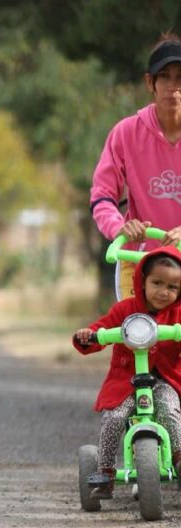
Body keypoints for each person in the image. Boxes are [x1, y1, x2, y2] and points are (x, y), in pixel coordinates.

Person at [73, 247, 181, 498]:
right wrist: (89, 336)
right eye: (157, 283)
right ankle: (105, 473)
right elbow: (102, 328)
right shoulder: (125, 310)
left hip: (165, 381)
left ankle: (178, 458)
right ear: (142, 281)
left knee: (170, 408)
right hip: (127, 383)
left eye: (173, 287)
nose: (164, 292)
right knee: (113, 417)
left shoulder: (177, 314)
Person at [89, 33, 181, 301]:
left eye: (180, 77)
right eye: (164, 76)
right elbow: (102, 195)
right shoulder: (126, 133)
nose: (173, 86)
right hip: (140, 260)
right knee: (137, 336)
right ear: (149, 82)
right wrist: (118, 226)